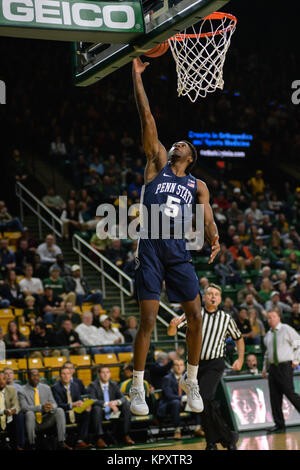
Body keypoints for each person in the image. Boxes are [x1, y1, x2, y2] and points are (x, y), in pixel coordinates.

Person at [129, 57, 220, 416]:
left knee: (196, 316)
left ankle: (192, 379)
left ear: (191, 156)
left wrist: (215, 238)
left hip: (179, 251)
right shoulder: (157, 162)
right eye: (176, 142)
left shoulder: (197, 185)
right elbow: (147, 117)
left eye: (183, 144)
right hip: (150, 245)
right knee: (148, 319)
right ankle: (137, 388)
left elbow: (208, 217)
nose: (176, 144)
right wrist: (137, 77)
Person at [168, 283, 244, 450]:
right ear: (204, 297)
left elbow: (239, 338)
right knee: (203, 402)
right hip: (195, 364)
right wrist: (173, 326)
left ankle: (219, 440)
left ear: (220, 299)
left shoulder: (226, 318)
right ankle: (222, 439)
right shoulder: (194, 314)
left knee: (204, 396)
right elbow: (172, 333)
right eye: (210, 294)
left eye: (216, 294)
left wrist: (240, 359)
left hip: (215, 363)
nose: (213, 297)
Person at [262, 310, 300, 433]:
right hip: (273, 368)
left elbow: (298, 343)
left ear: (279, 318)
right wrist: (264, 368)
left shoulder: (286, 329)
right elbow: (267, 353)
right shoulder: (268, 335)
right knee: (274, 397)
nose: (270, 319)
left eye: (273, 317)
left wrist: (296, 359)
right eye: (269, 317)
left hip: (285, 366)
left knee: (290, 393)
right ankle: (279, 424)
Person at [18, 369, 70, 450]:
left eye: (37, 375)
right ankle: (32, 444)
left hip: (45, 419)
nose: (36, 377)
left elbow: (54, 404)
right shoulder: (22, 391)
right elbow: (24, 408)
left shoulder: (46, 388)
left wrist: (50, 407)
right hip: (32, 421)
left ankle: (61, 442)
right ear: (28, 377)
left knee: (59, 410)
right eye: (33, 375)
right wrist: (41, 407)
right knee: (29, 413)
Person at [87, 365, 135, 448]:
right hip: (101, 411)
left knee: (126, 404)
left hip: (113, 411)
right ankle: (99, 438)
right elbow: (93, 400)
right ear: (99, 374)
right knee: (96, 409)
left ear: (110, 374)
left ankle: (126, 435)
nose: (106, 375)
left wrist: (117, 402)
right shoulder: (93, 385)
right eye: (103, 372)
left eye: (107, 372)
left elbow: (122, 397)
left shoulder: (114, 384)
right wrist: (108, 404)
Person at [157, 358, 203, 440]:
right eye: (177, 365)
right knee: (176, 402)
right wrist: (183, 398)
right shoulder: (167, 378)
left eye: (181, 365)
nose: (179, 367)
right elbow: (168, 396)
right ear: (173, 367)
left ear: (184, 367)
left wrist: (188, 398)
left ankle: (198, 428)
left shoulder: (188, 378)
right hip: (169, 405)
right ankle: (177, 431)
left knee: (195, 401)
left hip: (185, 404)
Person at [51, 366, 92, 449]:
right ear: (60, 376)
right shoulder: (55, 387)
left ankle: (80, 441)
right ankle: (62, 442)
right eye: (63, 374)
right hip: (63, 413)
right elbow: (58, 404)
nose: (66, 376)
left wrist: (84, 405)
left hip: (74, 412)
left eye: (68, 374)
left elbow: (79, 399)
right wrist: (72, 405)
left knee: (87, 412)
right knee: (60, 413)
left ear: (71, 375)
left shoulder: (75, 385)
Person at [0, 370, 23, 450]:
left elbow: (16, 404)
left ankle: (18, 445)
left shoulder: (11, 389)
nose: (1, 381)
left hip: (9, 417)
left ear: (6, 380)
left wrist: (13, 410)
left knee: (18, 416)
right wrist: (3, 411)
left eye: (3, 379)